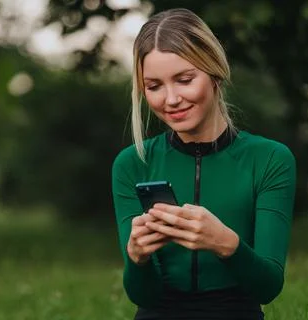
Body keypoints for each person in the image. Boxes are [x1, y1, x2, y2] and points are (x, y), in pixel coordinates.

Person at [111, 8, 296, 320]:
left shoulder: (270, 159)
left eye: (184, 80)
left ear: (215, 73)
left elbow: (268, 287)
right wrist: (137, 257)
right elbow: (142, 296)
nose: (170, 99)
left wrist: (225, 243)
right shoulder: (133, 163)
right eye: (154, 86)